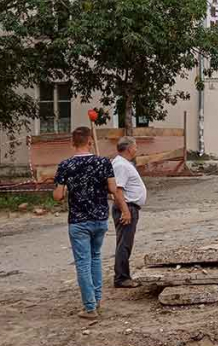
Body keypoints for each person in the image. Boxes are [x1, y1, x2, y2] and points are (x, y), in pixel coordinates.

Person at [53, 127, 118, 320]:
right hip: (99, 217)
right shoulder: (103, 162)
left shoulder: (66, 165)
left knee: (83, 263)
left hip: (78, 220)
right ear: (90, 141)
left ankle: (90, 307)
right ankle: (97, 299)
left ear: (72, 143)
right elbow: (113, 188)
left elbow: (58, 196)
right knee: (96, 257)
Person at [111, 136, 147, 288]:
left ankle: (123, 275)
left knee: (125, 242)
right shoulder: (121, 165)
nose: (137, 149)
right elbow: (118, 190)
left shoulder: (124, 164)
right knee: (124, 243)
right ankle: (121, 277)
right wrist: (125, 211)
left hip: (130, 206)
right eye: (135, 146)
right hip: (127, 207)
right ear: (129, 148)